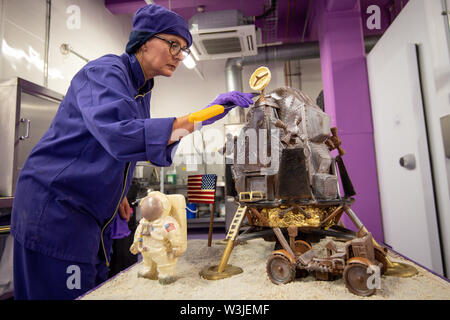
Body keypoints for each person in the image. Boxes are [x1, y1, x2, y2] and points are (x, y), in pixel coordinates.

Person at [10, 4, 254, 300]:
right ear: (143, 40)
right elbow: (121, 136)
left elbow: (135, 145)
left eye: (184, 49)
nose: (179, 54)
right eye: (173, 44)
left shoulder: (142, 86)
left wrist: (117, 192)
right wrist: (202, 115)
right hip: (56, 210)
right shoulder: (104, 71)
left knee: (91, 290)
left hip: (90, 216)